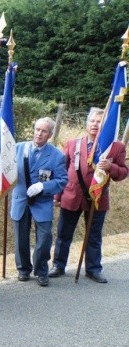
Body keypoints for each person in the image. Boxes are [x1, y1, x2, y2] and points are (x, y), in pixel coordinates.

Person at [51, 107, 128, 282]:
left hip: (98, 198)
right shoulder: (72, 144)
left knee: (93, 236)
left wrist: (111, 167)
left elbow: (123, 172)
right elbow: (62, 172)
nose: (95, 125)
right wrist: (57, 196)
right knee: (63, 234)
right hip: (71, 196)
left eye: (99, 122)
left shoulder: (116, 148)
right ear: (87, 124)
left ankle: (93, 269)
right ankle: (58, 265)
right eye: (92, 121)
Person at [11, 117, 68, 286]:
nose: (39, 134)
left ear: (50, 134)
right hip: (20, 200)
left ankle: (41, 270)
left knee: (44, 239)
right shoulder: (18, 148)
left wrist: (43, 186)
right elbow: (6, 169)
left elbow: (62, 181)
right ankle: (23, 269)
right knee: (20, 238)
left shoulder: (57, 155)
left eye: (43, 131)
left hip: (42, 202)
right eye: (37, 129)